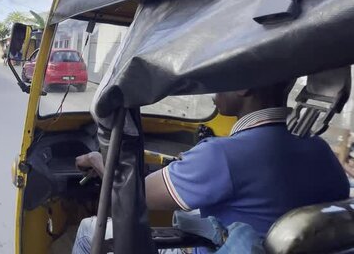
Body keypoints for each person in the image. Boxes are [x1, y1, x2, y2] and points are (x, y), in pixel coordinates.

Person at [72, 82, 350, 254]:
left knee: (88, 229)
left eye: (220, 78)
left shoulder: (222, 155)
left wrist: (98, 160)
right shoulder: (320, 149)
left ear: (243, 86)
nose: (213, 90)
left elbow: (134, 194)